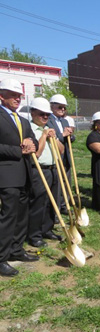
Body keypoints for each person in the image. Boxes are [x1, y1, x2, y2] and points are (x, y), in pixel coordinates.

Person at [0, 78, 40, 277]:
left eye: (19, 96)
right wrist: (18, 150)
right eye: (13, 95)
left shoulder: (23, 120)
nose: (17, 99)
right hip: (7, 175)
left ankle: (16, 249)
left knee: (22, 215)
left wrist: (32, 144)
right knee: (8, 216)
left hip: (25, 174)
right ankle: (1, 257)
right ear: (2, 96)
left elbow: (33, 140)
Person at [28, 98, 64, 248]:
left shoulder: (49, 129)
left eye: (47, 115)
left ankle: (47, 229)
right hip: (39, 170)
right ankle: (34, 234)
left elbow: (61, 151)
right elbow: (36, 153)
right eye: (42, 114)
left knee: (52, 202)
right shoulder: (29, 129)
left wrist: (53, 138)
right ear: (33, 113)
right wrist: (43, 136)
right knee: (39, 203)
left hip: (53, 169)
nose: (45, 117)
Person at [47, 94, 75, 215]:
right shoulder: (47, 120)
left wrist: (70, 135)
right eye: (60, 107)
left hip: (66, 157)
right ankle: (56, 209)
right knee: (57, 184)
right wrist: (62, 135)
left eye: (64, 107)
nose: (62, 109)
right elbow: (51, 137)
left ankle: (65, 205)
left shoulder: (64, 121)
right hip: (55, 157)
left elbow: (71, 138)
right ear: (52, 106)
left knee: (66, 182)